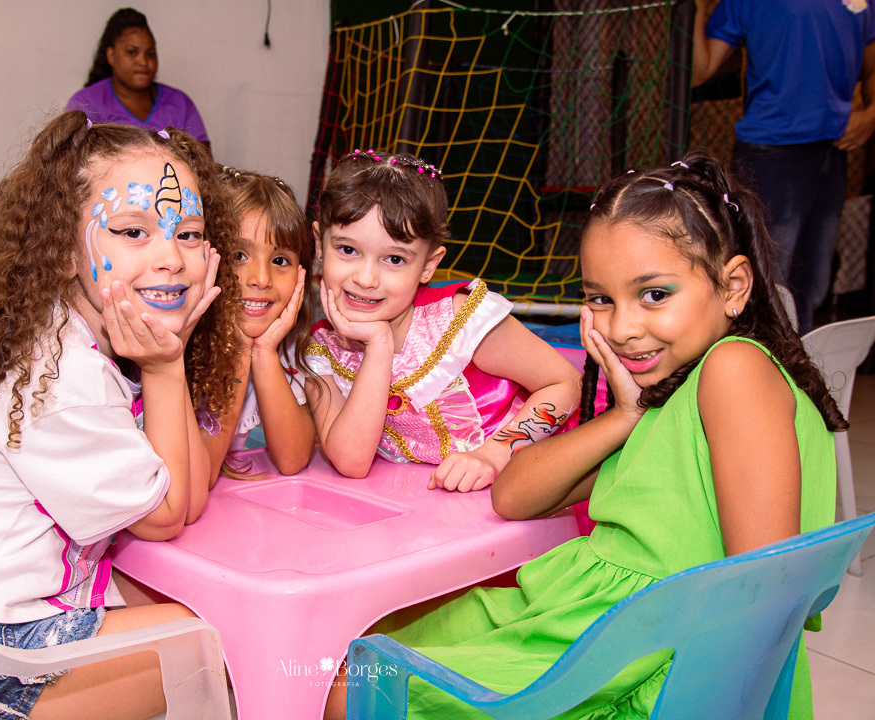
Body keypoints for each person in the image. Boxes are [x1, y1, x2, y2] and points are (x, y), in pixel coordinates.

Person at [344, 152, 844, 720]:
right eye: (601, 298)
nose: (622, 328)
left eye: (654, 294)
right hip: (590, 626)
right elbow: (514, 496)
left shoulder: (734, 370)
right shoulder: (671, 394)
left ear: (733, 286)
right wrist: (623, 416)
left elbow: (764, 597)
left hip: (637, 667)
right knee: (363, 650)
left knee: (354, 685)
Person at [0, 111, 240, 719]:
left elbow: (183, 495)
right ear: (63, 250)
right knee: (217, 636)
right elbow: (169, 513)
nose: (171, 257)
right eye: (131, 231)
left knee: (176, 603)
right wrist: (165, 366)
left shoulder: (57, 336)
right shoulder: (55, 371)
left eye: (188, 233)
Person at [304, 149, 581, 490]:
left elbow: (565, 384)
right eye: (348, 250)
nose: (365, 278)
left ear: (429, 265)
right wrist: (378, 344)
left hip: (535, 475)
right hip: (428, 508)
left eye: (393, 258)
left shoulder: (459, 321)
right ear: (319, 243)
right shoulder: (322, 350)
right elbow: (352, 462)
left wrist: (492, 456)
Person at [691, 0, 875, 334]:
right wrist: (695, 11)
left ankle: (794, 375)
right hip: (770, 154)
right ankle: (752, 376)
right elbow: (698, 71)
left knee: (813, 283)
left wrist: (872, 114)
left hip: (832, 152)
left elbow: (872, 64)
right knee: (766, 284)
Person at [200, 166, 318, 481]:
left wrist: (264, 350)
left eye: (280, 261)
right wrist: (239, 350)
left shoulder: (289, 346)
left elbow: (292, 459)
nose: (262, 279)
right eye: (239, 255)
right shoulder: (183, 348)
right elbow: (202, 474)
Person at [66, 7, 210, 147]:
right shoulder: (85, 103)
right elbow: (71, 163)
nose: (143, 62)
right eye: (132, 52)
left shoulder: (180, 103)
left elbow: (202, 162)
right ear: (111, 55)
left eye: (150, 54)